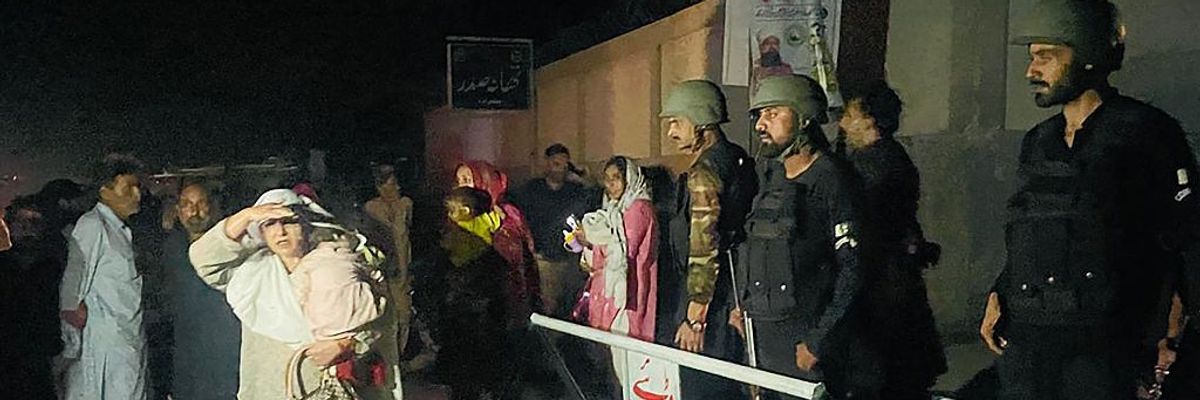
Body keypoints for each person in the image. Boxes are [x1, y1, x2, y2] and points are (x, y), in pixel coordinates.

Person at [981, 1, 1200, 398]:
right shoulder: (1039, 142)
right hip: (1030, 343)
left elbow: (1185, 236)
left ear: (1087, 56)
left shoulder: (1145, 133)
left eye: (1046, 57)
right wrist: (1000, 293)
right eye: (1032, 58)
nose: (1032, 71)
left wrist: (1173, 333)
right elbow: (1028, 229)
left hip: (1103, 347)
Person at [730, 74, 880, 400]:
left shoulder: (832, 180)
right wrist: (742, 304)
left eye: (773, 114)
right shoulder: (770, 176)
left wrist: (819, 340)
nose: (760, 125)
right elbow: (755, 245)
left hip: (807, 345)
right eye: (759, 115)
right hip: (763, 341)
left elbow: (853, 270)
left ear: (804, 118)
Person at [188, 189, 402, 399]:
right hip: (270, 391)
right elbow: (204, 258)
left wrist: (348, 344)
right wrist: (248, 215)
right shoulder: (250, 274)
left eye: (289, 222)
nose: (280, 231)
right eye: (269, 224)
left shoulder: (338, 264)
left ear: (306, 224)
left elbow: (381, 319)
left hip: (331, 390)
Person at [838, 80, 947, 399]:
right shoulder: (887, 158)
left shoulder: (874, 164)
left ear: (869, 120)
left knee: (884, 377)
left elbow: (870, 222)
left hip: (882, 287)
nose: (843, 123)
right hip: (892, 281)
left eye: (850, 114)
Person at [658, 79, 758, 398]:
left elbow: (705, 244)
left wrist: (695, 316)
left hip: (710, 307)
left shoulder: (706, 171)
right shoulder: (736, 158)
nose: (671, 132)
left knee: (703, 387)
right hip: (735, 295)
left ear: (701, 122)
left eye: (677, 122)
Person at [58, 154, 148, 400]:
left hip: (128, 345)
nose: (136, 194)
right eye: (128, 187)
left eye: (137, 187)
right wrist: (71, 352)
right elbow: (72, 294)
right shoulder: (92, 226)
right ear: (104, 190)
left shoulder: (121, 231)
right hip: (103, 351)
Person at [573, 156, 659, 394]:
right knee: (610, 367)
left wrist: (591, 239)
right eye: (607, 179)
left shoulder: (639, 208)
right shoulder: (612, 209)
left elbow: (625, 249)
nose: (611, 185)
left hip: (628, 297)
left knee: (628, 366)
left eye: (617, 178)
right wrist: (585, 244)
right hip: (607, 297)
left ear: (629, 179)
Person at [162, 182, 240, 400]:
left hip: (226, 350)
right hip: (186, 354)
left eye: (201, 203)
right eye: (187, 205)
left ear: (212, 207)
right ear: (177, 211)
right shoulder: (169, 249)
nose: (194, 211)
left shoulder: (232, 247)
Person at [433, 186, 510, 400]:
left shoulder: (454, 234)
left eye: (452, 211)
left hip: (472, 306)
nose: (449, 216)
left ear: (466, 211)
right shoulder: (475, 228)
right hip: (470, 307)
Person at [512, 144, 598, 318]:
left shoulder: (575, 191)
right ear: (547, 164)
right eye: (556, 164)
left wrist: (586, 179)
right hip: (545, 260)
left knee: (571, 306)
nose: (561, 170)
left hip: (571, 260)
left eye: (565, 165)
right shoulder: (532, 190)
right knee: (548, 308)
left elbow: (594, 204)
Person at [455, 161, 541, 326]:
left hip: (505, 296)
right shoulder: (458, 217)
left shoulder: (509, 215)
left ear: (484, 181)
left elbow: (521, 258)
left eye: (467, 179)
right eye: (458, 181)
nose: (461, 187)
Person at [0, 197, 69, 400]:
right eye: (22, 222)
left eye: (34, 222)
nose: (28, 227)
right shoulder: (5, 266)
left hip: (40, 356)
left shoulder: (53, 266)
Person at [364, 164, 416, 352]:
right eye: (392, 184)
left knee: (404, 315)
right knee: (387, 315)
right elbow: (392, 232)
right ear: (380, 186)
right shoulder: (373, 207)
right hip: (386, 269)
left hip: (404, 267)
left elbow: (405, 235)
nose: (397, 188)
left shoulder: (405, 204)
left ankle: (401, 354)